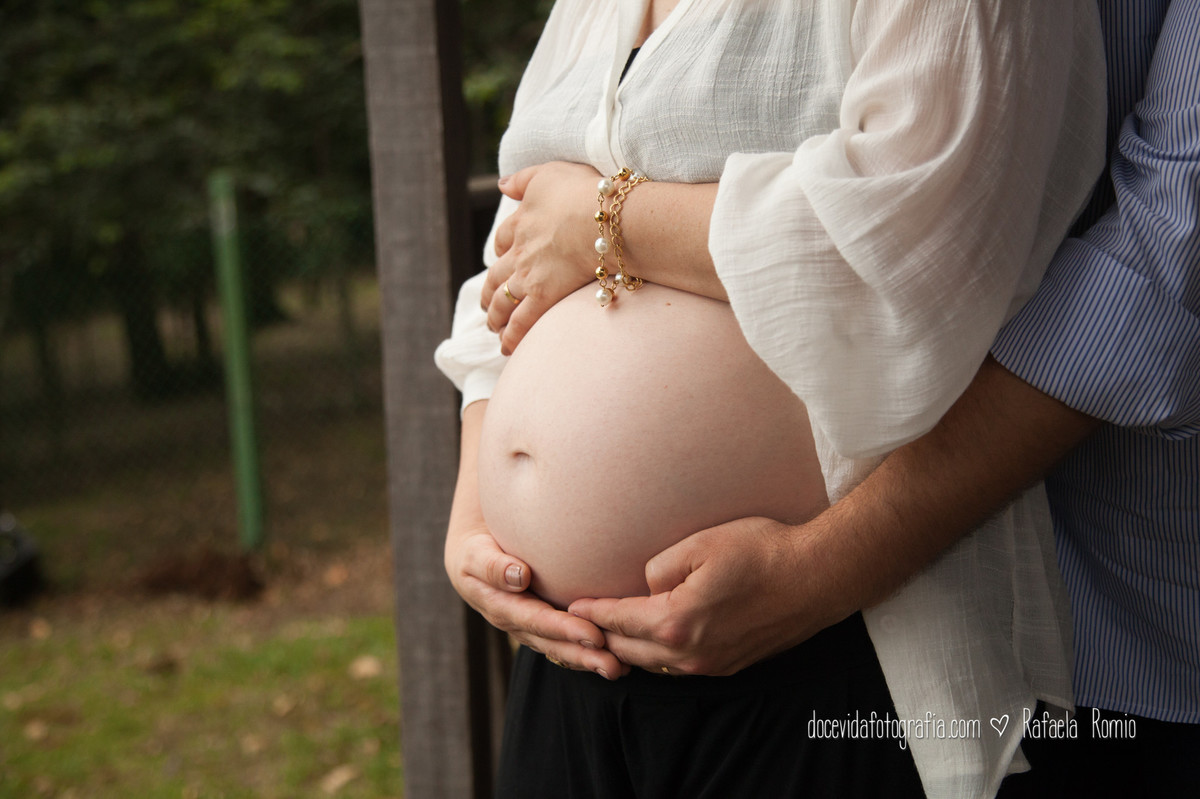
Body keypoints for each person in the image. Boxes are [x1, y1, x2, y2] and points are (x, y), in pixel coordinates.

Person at [435, 0, 1106, 796]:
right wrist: (475, 505)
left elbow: (918, 242)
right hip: (568, 670)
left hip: (833, 637)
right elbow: (516, 243)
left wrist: (606, 222)